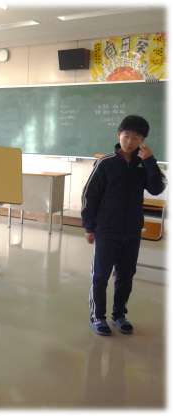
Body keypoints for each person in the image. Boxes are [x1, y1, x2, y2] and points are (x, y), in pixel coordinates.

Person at [81, 115, 165, 336]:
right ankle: (98, 317)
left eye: (136, 137)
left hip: (132, 230)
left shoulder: (143, 164)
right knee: (100, 275)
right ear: (119, 135)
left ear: (142, 141)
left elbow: (157, 188)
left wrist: (150, 161)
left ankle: (119, 315)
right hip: (106, 229)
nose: (130, 141)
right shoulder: (106, 163)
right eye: (126, 135)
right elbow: (89, 195)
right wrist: (89, 226)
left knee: (126, 276)